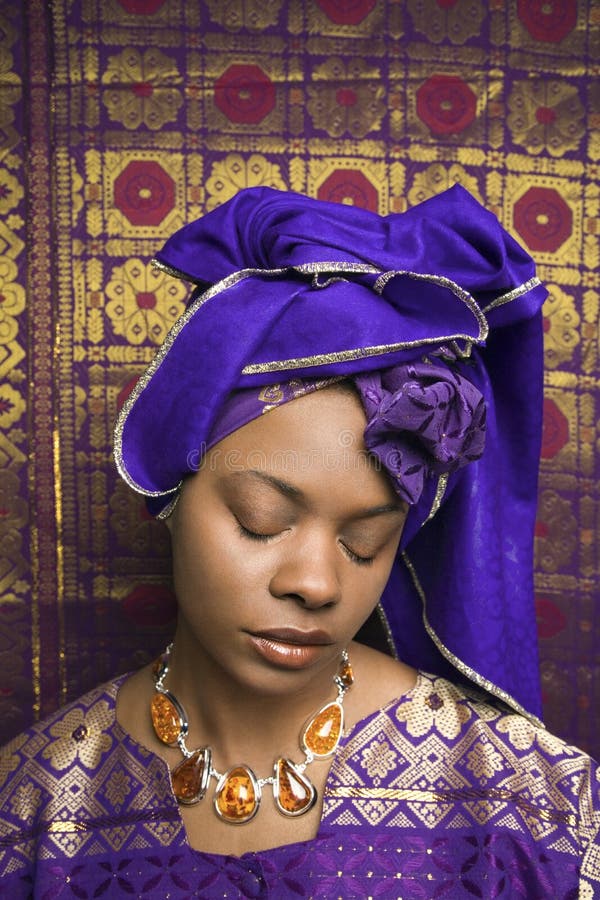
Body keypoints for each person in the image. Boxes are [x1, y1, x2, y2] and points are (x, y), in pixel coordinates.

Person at [1, 186, 598, 898]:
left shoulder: (531, 804)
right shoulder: (34, 814)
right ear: (171, 490)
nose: (315, 584)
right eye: (259, 519)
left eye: (366, 540)